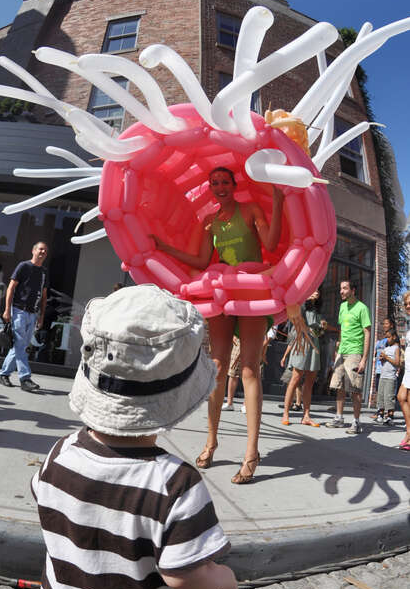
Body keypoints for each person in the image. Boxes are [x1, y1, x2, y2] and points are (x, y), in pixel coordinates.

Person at [29, 284, 238, 589]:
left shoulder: (60, 453)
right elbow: (183, 575)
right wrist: (223, 577)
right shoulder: (176, 484)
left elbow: (45, 502)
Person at [151, 166, 284, 483]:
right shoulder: (209, 221)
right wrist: (163, 247)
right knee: (217, 367)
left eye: (225, 181)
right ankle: (211, 441)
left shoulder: (250, 210)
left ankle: (251, 452)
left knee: (249, 369)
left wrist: (278, 200)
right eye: (215, 183)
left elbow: (270, 243)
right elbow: (201, 260)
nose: (220, 186)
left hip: (251, 290)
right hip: (222, 292)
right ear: (210, 188)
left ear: (234, 185)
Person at [0, 242, 48, 392]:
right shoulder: (24, 266)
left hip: (33, 314)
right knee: (20, 345)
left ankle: (4, 374)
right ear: (33, 250)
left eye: (45, 251)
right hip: (19, 311)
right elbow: (10, 288)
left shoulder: (44, 272)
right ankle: (25, 379)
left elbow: (44, 296)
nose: (43, 252)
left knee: (20, 346)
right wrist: (7, 309)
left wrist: (41, 316)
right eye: (40, 249)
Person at [325, 280, 371, 435]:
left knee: (355, 388)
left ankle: (356, 422)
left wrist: (364, 359)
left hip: (354, 352)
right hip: (342, 352)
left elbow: (367, 333)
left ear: (353, 290)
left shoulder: (362, 308)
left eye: (345, 288)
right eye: (340, 288)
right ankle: (339, 418)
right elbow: (341, 330)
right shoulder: (342, 306)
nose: (341, 291)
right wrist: (337, 350)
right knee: (339, 385)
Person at [281, 290, 326, 427]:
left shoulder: (317, 310)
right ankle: (286, 413)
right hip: (301, 344)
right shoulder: (300, 305)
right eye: (313, 290)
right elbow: (295, 322)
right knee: (295, 379)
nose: (316, 292)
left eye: (318, 290)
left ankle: (306, 416)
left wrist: (322, 328)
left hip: (314, 345)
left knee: (310, 383)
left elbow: (318, 333)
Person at [374, 328, 400, 425]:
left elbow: (397, 363)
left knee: (389, 397)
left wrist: (387, 358)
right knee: (381, 396)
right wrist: (382, 359)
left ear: (394, 337)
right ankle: (380, 415)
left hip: (390, 377)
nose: (387, 339)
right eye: (386, 337)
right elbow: (383, 362)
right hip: (383, 375)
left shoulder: (396, 348)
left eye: (389, 337)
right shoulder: (386, 348)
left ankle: (390, 417)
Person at [397, 291, 410, 450]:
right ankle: (408, 432)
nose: (408, 306)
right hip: (408, 368)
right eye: (406, 304)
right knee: (401, 397)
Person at [372, 316, 395, 399]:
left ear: (391, 325)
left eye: (387, 324)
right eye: (383, 324)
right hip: (378, 370)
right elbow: (376, 353)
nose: (384, 325)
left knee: (387, 394)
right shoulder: (381, 340)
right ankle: (379, 407)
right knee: (379, 393)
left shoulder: (392, 339)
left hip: (387, 370)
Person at [222, 335, 240, 410]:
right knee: (233, 371)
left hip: (251, 338)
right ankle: (229, 403)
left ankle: (246, 404)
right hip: (239, 339)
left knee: (250, 373)